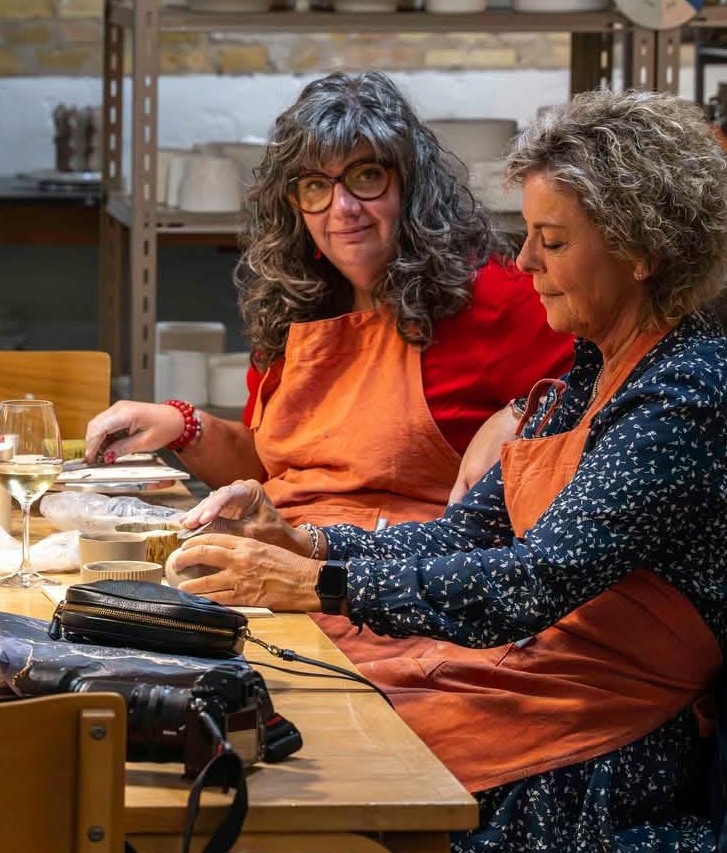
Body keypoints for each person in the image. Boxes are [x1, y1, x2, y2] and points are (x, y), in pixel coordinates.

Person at [172, 88, 727, 853]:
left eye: (551, 241)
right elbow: (463, 536)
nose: (523, 263)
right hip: (535, 678)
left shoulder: (685, 394)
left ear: (640, 250)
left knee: (276, 784)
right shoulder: (590, 369)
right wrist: (302, 539)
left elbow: (530, 582)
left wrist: (319, 584)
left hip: (603, 754)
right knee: (252, 754)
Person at [82, 71, 573, 652]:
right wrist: (182, 425)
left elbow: (604, 398)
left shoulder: (493, 297)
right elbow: (274, 466)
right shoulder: (297, 305)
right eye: (315, 185)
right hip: (274, 576)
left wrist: (518, 412)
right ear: (294, 203)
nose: (342, 207)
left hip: (392, 604)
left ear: (410, 184)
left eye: (366, 177)